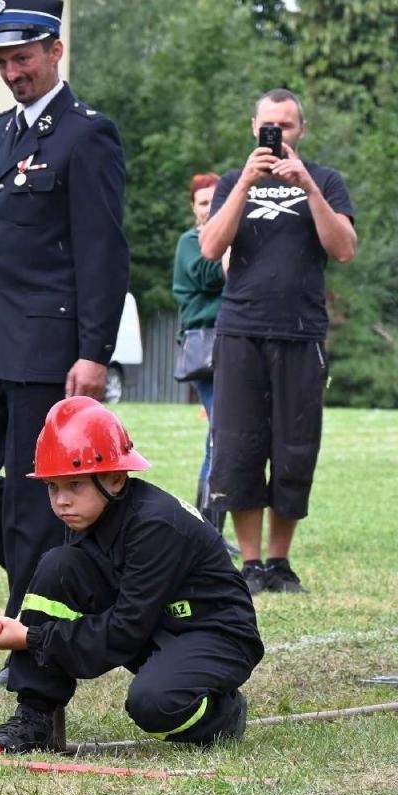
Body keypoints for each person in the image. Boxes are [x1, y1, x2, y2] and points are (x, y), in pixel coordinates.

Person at [0, 0, 130, 650]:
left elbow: (103, 251)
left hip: (47, 349)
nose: (13, 73)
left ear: (55, 50)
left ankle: (31, 623)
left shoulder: (87, 135)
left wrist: (95, 351)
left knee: (29, 503)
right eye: (2, 62)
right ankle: (65, 571)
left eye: (22, 59)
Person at [0, 397, 262, 754]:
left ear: (115, 478)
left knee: (154, 705)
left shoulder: (154, 526)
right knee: (58, 565)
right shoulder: (89, 512)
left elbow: (123, 633)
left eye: (75, 485)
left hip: (215, 632)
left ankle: (224, 715)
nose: (61, 500)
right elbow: (109, 613)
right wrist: (32, 623)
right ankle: (36, 718)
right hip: (154, 620)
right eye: (53, 486)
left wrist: (33, 637)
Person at [199, 88, 356, 595]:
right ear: (253, 127)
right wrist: (246, 180)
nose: (277, 134)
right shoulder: (231, 182)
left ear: (301, 130)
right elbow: (210, 247)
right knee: (239, 448)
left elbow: (344, 249)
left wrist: (308, 186)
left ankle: (279, 563)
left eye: (286, 126)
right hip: (241, 331)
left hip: (300, 334)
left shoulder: (326, 181)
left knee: (294, 448)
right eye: (269, 125)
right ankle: (249, 565)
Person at [170, 172, 225, 529]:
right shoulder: (191, 241)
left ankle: (209, 530)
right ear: (194, 208)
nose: (209, 208)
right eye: (203, 202)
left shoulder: (229, 241)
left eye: (216, 200)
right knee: (222, 436)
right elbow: (208, 275)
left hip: (235, 347)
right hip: (206, 351)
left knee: (221, 437)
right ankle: (208, 532)